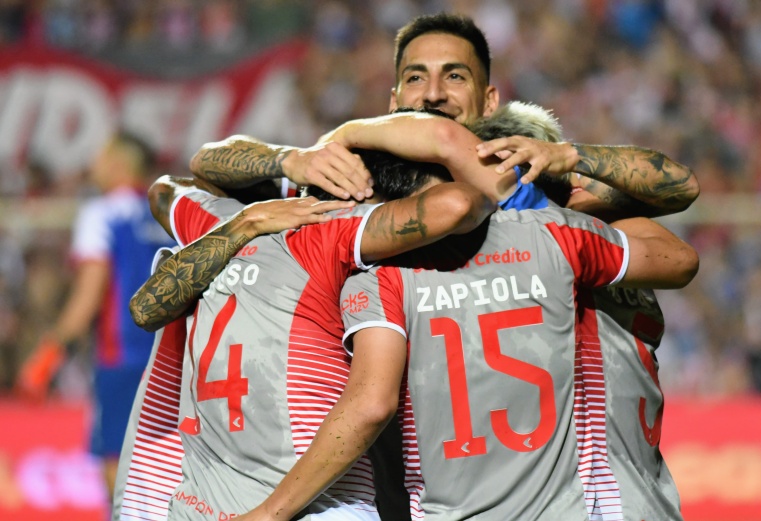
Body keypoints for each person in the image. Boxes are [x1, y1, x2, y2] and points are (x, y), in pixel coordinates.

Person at [238, 194, 698, 520]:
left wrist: (270, 513)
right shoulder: (560, 237)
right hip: (600, 501)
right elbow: (681, 255)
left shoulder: (381, 277)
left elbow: (370, 404)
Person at [124, 152, 494, 519]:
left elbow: (167, 188)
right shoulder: (330, 232)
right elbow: (457, 204)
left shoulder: (221, 223)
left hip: (202, 503)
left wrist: (284, 165)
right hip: (311, 507)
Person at [189, 13, 698, 223]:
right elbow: (206, 165)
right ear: (393, 99)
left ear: (490, 100)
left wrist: (571, 155)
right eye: (416, 78)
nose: (432, 94)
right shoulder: (352, 171)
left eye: (454, 76)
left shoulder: (532, 175)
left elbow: (680, 187)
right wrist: (288, 159)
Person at [15, 131, 176, 501]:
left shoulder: (101, 214)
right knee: (168, 469)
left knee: (118, 469)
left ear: (119, 164)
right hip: (177, 357)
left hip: (123, 358)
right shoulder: (170, 213)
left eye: (99, 156)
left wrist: (46, 357)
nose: (92, 165)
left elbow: (88, 296)